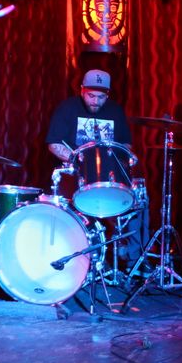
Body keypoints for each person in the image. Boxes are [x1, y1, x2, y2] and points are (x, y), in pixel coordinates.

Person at [45, 70, 146, 269]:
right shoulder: (67, 108)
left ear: (107, 95)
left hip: (108, 176)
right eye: (91, 95)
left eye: (101, 97)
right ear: (82, 90)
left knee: (139, 198)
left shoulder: (115, 111)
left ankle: (135, 263)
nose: (95, 101)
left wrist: (122, 156)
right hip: (77, 176)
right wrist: (78, 160)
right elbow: (54, 144)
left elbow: (126, 144)